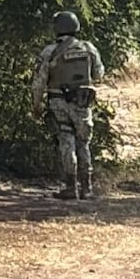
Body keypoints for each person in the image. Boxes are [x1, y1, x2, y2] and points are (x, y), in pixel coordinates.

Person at [30, 11, 105, 200]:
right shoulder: (89, 48)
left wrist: (36, 106)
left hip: (58, 102)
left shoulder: (50, 51)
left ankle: (71, 187)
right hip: (82, 102)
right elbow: (98, 76)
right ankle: (87, 188)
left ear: (57, 28)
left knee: (66, 141)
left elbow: (38, 83)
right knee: (84, 144)